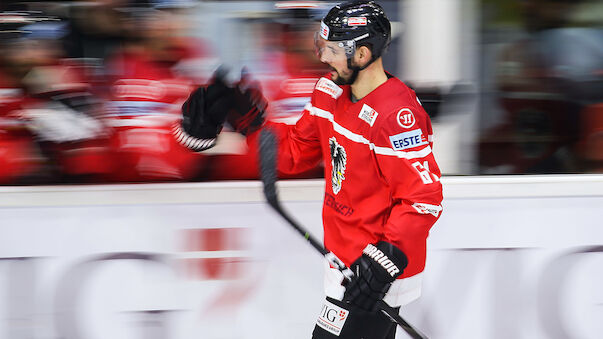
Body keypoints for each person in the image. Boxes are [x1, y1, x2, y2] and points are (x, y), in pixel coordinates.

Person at [175, 1, 443, 338]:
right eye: (322, 45)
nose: (324, 57)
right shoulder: (328, 92)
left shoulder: (397, 116)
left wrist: (384, 259)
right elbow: (292, 154)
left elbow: (423, 200)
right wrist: (248, 121)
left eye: (332, 50)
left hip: (375, 270)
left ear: (362, 55)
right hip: (343, 259)